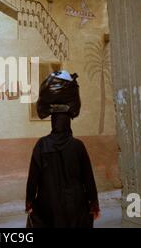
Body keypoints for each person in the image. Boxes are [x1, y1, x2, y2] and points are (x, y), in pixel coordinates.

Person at [25, 70, 100, 228]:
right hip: (76, 205)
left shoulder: (41, 145)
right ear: (68, 122)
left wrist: (29, 202)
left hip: (48, 205)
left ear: (53, 122)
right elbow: (88, 178)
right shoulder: (77, 146)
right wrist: (93, 204)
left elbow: (33, 178)